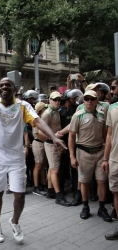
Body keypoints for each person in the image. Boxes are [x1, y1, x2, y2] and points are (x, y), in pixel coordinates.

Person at [0, 59, 66, 244]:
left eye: (8, 85)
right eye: (1, 86)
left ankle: (14, 221)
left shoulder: (23, 106)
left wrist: (53, 137)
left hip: (16, 158)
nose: (4, 88)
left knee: (19, 194)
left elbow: (38, 122)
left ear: (14, 89)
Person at [69, 90, 111, 221]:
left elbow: (105, 135)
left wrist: (106, 155)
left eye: (92, 99)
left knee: (102, 182)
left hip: (100, 152)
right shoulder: (78, 115)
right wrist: (72, 156)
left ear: (96, 101)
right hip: (83, 153)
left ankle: (102, 208)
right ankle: (85, 206)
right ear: (83, 100)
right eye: (86, 99)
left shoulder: (101, 115)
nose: (89, 101)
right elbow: (71, 136)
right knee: (84, 182)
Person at [42, 91, 71, 206]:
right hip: (50, 143)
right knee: (55, 170)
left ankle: (50, 191)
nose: (57, 102)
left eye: (59, 100)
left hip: (55, 143)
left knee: (52, 168)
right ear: (49, 100)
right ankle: (59, 196)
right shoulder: (47, 113)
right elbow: (40, 132)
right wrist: (54, 136)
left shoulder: (56, 111)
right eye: (55, 100)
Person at [102, 96, 118, 240]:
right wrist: (106, 159)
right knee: (116, 193)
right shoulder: (112, 108)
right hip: (115, 159)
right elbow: (109, 135)